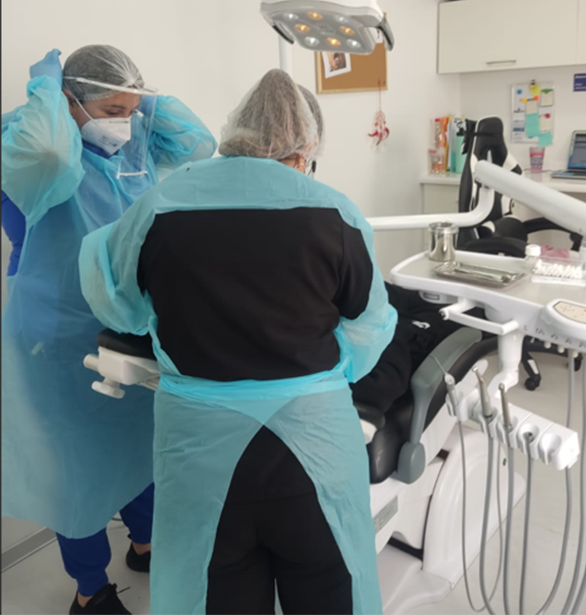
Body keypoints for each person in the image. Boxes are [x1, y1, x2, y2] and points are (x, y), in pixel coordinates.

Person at [79, 69, 397, 615]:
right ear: (306, 147)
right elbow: (368, 327)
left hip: (198, 452)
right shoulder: (335, 212)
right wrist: (326, 372)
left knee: (213, 595)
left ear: (236, 132)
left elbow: (117, 304)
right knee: (329, 590)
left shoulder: (161, 204)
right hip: (315, 450)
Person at [1, 45, 217, 615]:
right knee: (76, 467)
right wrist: (48, 88)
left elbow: (199, 144)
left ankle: (145, 544)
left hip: (126, 322)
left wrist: (145, 101)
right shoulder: (30, 147)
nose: (126, 122)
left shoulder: (129, 145)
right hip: (57, 335)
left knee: (137, 444)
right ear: (70, 102)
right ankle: (89, 588)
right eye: (113, 110)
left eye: (132, 110)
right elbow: (50, 153)